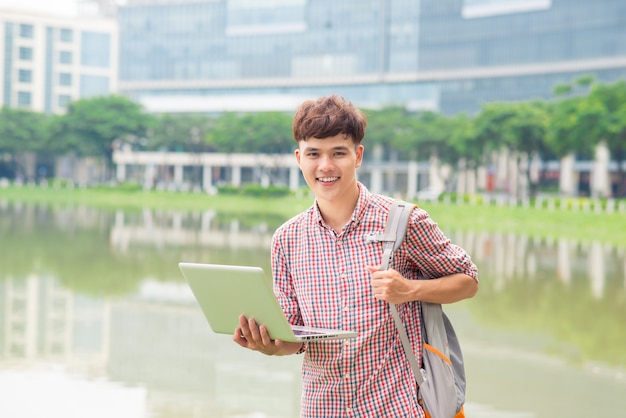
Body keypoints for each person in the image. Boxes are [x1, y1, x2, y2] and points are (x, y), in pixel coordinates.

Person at [233, 94, 479, 417]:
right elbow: (297, 337)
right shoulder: (287, 240)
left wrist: (411, 290)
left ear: (358, 155)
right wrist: (269, 345)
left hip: (396, 408)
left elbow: (468, 280)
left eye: (338, 153)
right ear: (299, 158)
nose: (325, 166)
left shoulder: (403, 221)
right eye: (313, 154)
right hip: (322, 408)